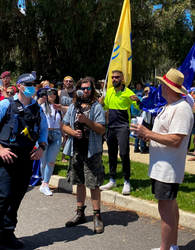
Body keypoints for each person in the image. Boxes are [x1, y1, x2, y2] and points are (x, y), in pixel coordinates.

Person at [130, 68, 193, 250]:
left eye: (162, 84)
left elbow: (176, 140)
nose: (160, 87)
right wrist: (147, 136)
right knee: (170, 207)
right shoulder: (169, 106)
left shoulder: (181, 109)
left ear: (168, 87)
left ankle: (166, 248)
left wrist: (148, 133)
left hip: (168, 168)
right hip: (162, 167)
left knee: (165, 210)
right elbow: (165, 134)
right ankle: (172, 246)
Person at [0, 73, 48, 249]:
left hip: (26, 159)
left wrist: (42, 147)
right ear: (20, 86)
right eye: (29, 84)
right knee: (3, 196)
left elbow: (44, 130)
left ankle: (7, 233)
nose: (33, 87)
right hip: (6, 158)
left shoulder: (37, 109)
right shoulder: (5, 104)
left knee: (16, 198)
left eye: (35, 85)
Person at [62, 77, 106, 234]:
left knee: (93, 184)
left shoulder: (96, 107)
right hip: (76, 150)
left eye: (88, 88)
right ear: (78, 89)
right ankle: (80, 213)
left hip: (91, 151)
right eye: (83, 88)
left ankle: (97, 216)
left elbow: (101, 129)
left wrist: (87, 121)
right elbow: (64, 125)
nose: (85, 91)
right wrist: (73, 132)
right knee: (79, 182)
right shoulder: (74, 106)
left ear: (92, 89)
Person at [99, 70, 140, 195]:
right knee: (111, 153)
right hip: (110, 126)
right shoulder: (110, 91)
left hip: (122, 126)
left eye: (116, 77)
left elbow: (138, 108)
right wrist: (102, 103)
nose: (114, 79)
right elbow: (106, 107)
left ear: (122, 79)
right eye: (112, 77)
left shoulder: (128, 92)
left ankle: (126, 180)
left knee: (124, 153)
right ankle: (112, 179)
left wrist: (137, 101)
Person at [39, 88, 64, 196]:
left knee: (51, 161)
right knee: (43, 161)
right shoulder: (42, 106)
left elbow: (62, 123)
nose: (52, 95)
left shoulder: (59, 108)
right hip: (44, 135)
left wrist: (65, 138)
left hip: (57, 134)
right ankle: (43, 182)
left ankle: (45, 183)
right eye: (49, 93)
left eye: (54, 93)